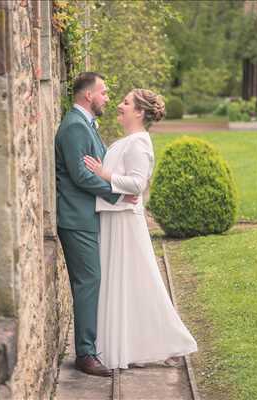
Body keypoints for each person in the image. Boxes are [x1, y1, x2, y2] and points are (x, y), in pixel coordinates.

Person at [84, 89, 198, 369]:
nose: (120, 106)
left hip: (125, 221)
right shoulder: (128, 141)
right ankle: (135, 341)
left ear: (139, 112)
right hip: (115, 216)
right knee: (126, 282)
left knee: (138, 278)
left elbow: (138, 184)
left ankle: (170, 339)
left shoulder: (139, 143)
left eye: (125, 103)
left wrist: (104, 175)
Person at [55, 72, 137, 377]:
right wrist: (117, 193)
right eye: (103, 92)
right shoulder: (75, 127)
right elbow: (80, 175)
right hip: (77, 218)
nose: (107, 98)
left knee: (93, 281)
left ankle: (93, 344)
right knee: (88, 282)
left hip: (87, 215)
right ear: (87, 95)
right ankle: (86, 354)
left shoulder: (85, 124)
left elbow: (98, 168)